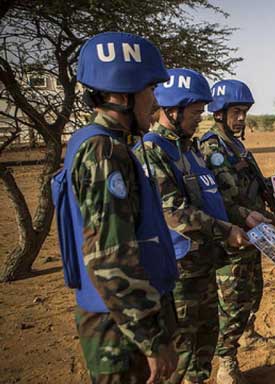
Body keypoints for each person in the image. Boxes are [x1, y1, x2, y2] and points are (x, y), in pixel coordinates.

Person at [52, 32, 179, 383]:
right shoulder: (104, 153)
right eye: (150, 90)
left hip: (120, 321)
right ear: (124, 94)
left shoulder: (93, 142)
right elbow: (110, 256)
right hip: (120, 333)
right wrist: (152, 341)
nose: (155, 102)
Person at [134, 68, 249, 384]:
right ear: (173, 110)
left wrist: (243, 216)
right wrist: (226, 230)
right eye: (196, 112)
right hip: (180, 274)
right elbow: (173, 211)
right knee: (181, 354)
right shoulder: (152, 151)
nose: (201, 118)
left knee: (203, 347)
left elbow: (212, 197)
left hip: (205, 265)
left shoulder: (191, 149)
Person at [199, 79, 275, 382]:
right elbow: (223, 198)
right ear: (219, 113)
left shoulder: (237, 145)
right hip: (231, 237)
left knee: (253, 291)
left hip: (255, 233)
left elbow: (257, 185)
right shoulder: (212, 145)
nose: (241, 119)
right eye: (235, 112)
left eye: (244, 112)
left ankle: (248, 334)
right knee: (232, 300)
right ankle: (226, 361)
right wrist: (261, 216)